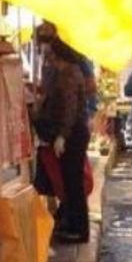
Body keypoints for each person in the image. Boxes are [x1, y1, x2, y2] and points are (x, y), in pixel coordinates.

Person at [35, 24, 92, 243]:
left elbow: (69, 108)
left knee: (73, 183)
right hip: (74, 132)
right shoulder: (71, 72)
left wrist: (62, 136)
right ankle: (74, 225)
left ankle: (79, 230)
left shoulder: (68, 74)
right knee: (70, 182)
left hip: (72, 134)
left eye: (52, 56)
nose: (50, 60)